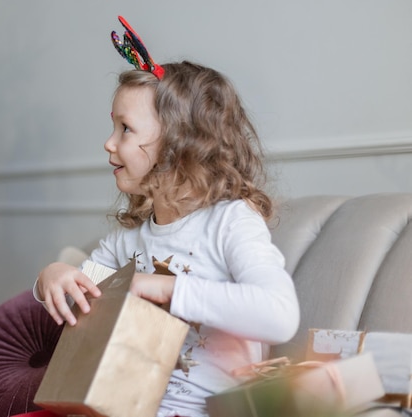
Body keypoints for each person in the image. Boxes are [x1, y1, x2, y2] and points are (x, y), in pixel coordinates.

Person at [34, 16, 300, 417]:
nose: (108, 143)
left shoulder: (231, 222)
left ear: (180, 144)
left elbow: (279, 316)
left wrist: (164, 289)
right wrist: (51, 276)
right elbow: (80, 292)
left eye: (125, 129)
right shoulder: (128, 242)